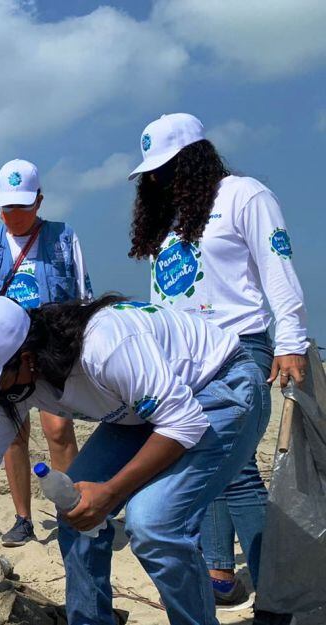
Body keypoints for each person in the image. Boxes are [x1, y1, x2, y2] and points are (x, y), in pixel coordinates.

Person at [0, 296, 267, 625]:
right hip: (141, 412)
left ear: (26, 359)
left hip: (220, 387)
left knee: (153, 524)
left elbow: (183, 422)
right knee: (73, 508)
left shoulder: (105, 347)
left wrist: (108, 493)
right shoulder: (20, 380)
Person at [127, 113, 310, 605]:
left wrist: (291, 340)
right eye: (152, 172)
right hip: (180, 360)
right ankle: (221, 573)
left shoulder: (243, 195)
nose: (158, 178)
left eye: (167, 167)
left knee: (237, 469)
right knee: (200, 458)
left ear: (195, 158)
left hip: (238, 349)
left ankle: (277, 589)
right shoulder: (170, 215)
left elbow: (277, 265)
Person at [0, 159, 91, 547]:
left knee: (59, 428)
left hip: (52, 351)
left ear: (39, 201)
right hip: (3, 357)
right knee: (11, 433)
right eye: (7, 207)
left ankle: (72, 507)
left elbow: (83, 296)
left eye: (23, 207)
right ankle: (22, 518)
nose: (14, 215)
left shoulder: (64, 238)